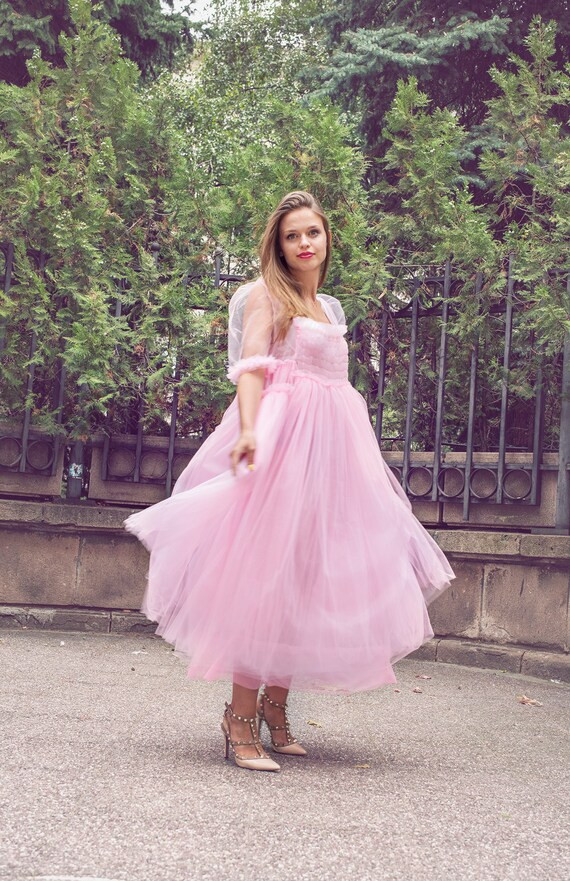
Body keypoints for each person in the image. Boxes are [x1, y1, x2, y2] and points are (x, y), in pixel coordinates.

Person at [124, 190, 456, 773]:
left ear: (327, 239)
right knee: (266, 574)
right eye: (292, 235)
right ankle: (240, 718)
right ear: (278, 246)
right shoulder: (266, 296)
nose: (304, 243)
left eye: (313, 233)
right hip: (283, 442)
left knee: (308, 572)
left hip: (334, 449)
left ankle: (278, 712)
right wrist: (249, 431)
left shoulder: (330, 307)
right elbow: (250, 368)